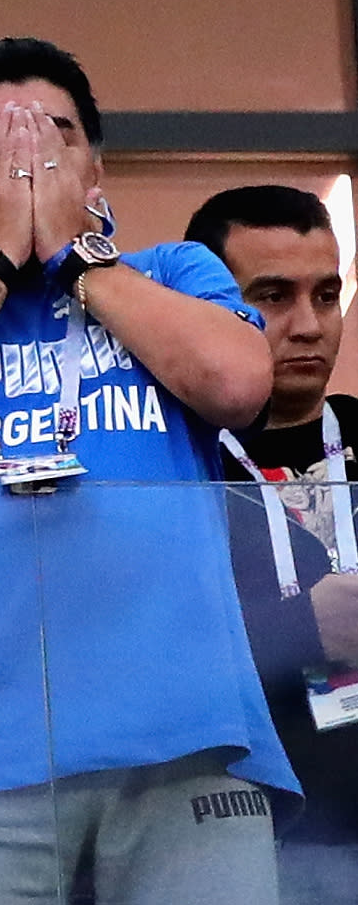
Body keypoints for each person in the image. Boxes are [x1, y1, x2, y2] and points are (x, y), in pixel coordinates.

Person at [0, 39, 301, 905]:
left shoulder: (175, 276)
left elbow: (237, 381)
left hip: (190, 748)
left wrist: (84, 258)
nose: (26, 157)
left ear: (96, 168)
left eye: (55, 134)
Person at [185, 183, 358, 905]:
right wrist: (300, 626)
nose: (309, 325)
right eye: (273, 296)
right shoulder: (170, 469)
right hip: (241, 837)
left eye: (327, 295)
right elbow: (135, 655)